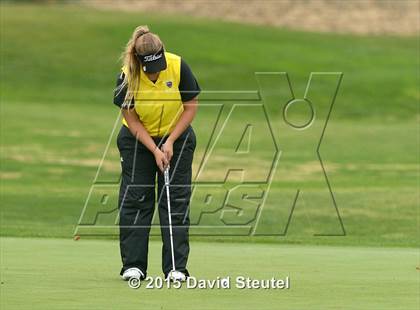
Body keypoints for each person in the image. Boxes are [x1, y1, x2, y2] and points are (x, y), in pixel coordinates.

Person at [113, 25, 200, 282]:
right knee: (136, 199)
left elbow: (191, 106)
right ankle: (134, 265)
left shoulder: (177, 65)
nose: (155, 72)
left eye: (158, 64)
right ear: (138, 61)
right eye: (149, 67)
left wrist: (170, 141)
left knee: (175, 199)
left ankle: (175, 268)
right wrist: (153, 148)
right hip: (137, 140)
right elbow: (131, 118)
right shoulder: (127, 75)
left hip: (177, 136)